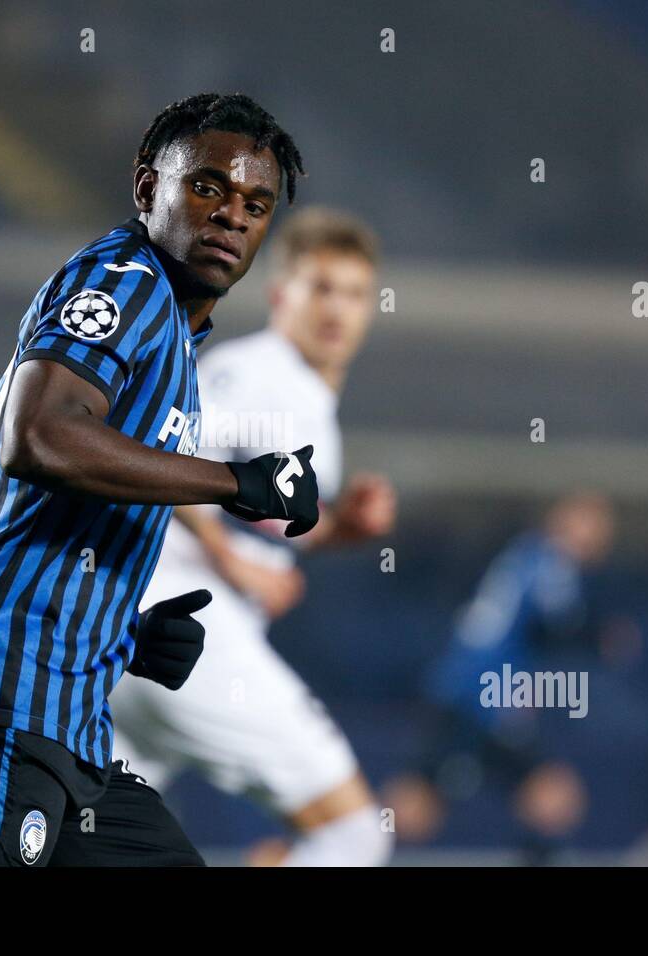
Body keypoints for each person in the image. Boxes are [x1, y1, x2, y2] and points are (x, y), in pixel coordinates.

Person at [0, 92, 320, 866]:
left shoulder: (174, 330)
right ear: (149, 189)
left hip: (63, 728)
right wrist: (234, 482)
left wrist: (122, 636)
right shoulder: (128, 281)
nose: (231, 215)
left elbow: (52, 508)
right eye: (207, 186)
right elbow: (39, 436)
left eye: (255, 202)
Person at [111, 208, 397, 866]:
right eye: (319, 287)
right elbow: (155, 452)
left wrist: (338, 527)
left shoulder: (302, 398)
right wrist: (229, 563)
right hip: (189, 620)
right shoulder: (264, 375)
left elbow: (254, 504)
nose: (337, 309)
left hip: (140, 645)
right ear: (278, 294)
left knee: (90, 845)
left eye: (353, 293)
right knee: (353, 832)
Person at [385, 493, 616, 863]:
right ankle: (342, 839)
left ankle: (345, 838)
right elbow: (561, 625)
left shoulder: (524, 556)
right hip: (479, 696)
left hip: (475, 693)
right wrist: (602, 636)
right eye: (587, 526)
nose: (594, 538)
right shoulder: (548, 561)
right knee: (418, 808)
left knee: (548, 797)